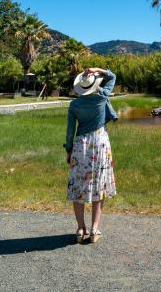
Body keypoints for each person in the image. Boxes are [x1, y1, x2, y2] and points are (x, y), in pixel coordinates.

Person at [64, 67, 117, 244]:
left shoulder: (74, 105)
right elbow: (112, 76)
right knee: (98, 186)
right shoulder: (102, 96)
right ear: (94, 85)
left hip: (81, 145)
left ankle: (81, 229)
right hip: (100, 143)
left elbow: (70, 130)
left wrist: (69, 150)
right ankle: (94, 229)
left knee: (78, 185)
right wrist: (98, 70)